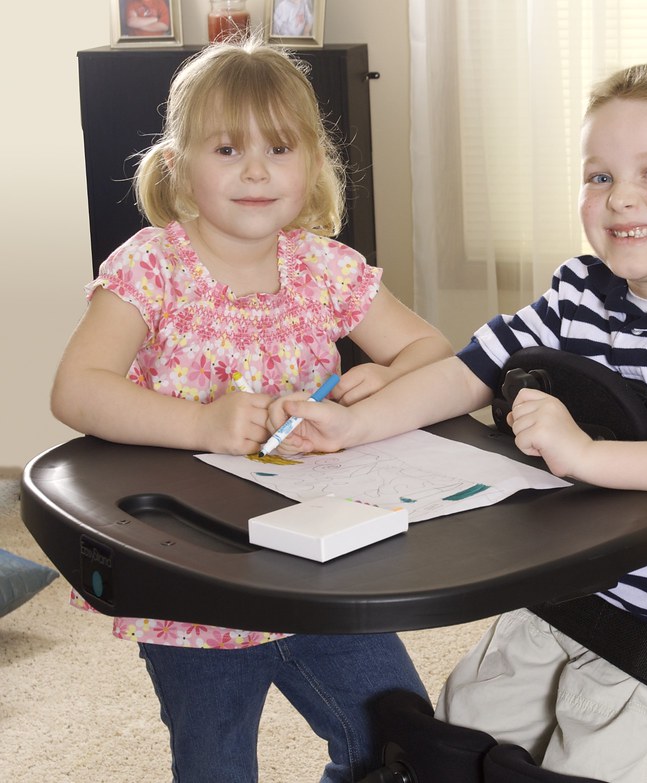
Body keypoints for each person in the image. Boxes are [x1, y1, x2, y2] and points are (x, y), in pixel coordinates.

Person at [268, 62, 647, 782]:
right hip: (562, 595)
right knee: (452, 743)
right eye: (599, 176)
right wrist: (353, 427)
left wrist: (583, 452)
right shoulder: (579, 292)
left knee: (585, 764)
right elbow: (469, 370)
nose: (621, 197)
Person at [50, 39, 450, 783]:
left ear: (312, 165)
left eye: (279, 147)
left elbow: (428, 348)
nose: (257, 169)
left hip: (323, 561)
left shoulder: (325, 268)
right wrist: (201, 423)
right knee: (214, 765)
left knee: (401, 741)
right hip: (196, 576)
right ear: (177, 166)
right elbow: (77, 389)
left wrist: (381, 388)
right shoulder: (151, 266)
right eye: (228, 148)